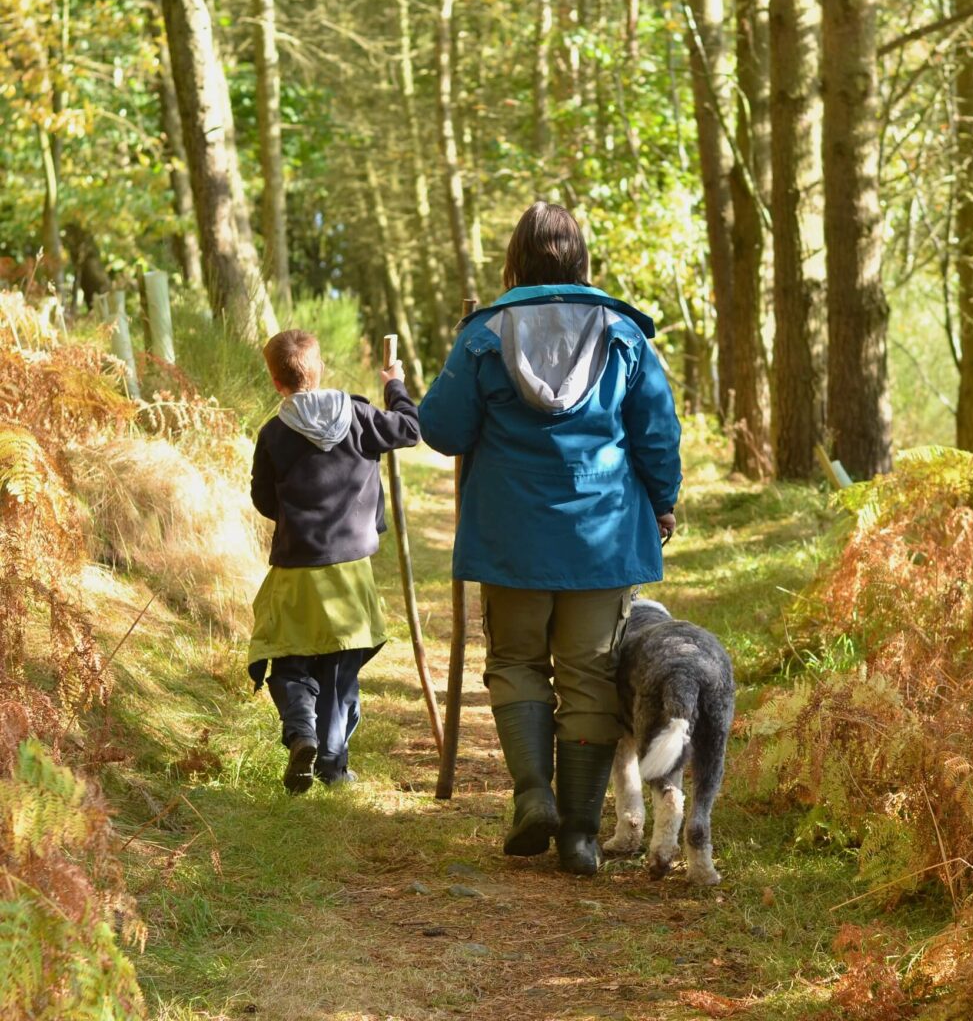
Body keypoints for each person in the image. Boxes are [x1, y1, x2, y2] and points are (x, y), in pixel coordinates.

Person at [419, 202, 681, 874]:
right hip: (602, 535)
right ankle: (580, 835)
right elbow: (656, 431)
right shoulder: (623, 334)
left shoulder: (484, 335)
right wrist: (663, 502)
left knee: (516, 663)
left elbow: (442, 429)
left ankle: (534, 794)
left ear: (515, 262)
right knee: (590, 674)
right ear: (581, 260)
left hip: (511, 535)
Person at [248, 329, 419, 794]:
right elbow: (409, 428)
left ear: (276, 382)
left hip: (296, 568)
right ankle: (331, 764)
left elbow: (263, 498)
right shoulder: (360, 416)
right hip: (350, 568)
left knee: (289, 660)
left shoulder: (273, 434)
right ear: (320, 368)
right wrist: (395, 385)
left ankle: (301, 732)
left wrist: (295, 520)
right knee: (340, 667)